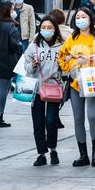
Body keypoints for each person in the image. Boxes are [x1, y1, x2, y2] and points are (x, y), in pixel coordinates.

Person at [58, 8, 95, 167]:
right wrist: (73, 61)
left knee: (92, 116)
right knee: (78, 119)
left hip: (92, 82)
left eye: (83, 16)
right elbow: (62, 59)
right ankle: (83, 155)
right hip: (76, 82)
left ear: (90, 18)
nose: (80, 19)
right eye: (77, 17)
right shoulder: (71, 39)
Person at [24, 15, 64, 166]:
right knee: (38, 122)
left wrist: (63, 66)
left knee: (51, 120)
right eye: (43, 28)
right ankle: (41, 153)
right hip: (36, 89)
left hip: (54, 87)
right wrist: (32, 65)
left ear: (55, 29)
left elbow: (66, 68)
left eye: (49, 27)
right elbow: (25, 66)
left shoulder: (62, 46)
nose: (46, 30)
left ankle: (53, 149)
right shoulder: (34, 45)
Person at [0, 2, 23, 127]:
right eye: (12, 9)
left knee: (3, 87)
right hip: (8, 61)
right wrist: (20, 48)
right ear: (7, 11)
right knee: (4, 88)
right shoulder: (11, 26)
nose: (14, 11)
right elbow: (15, 45)